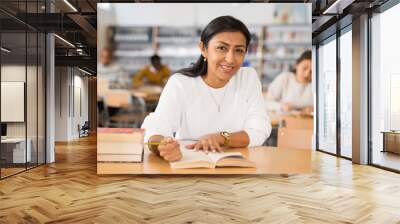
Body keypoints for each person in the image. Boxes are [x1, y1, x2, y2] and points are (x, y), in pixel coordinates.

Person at [141, 16, 271, 162]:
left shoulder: (248, 78)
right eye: (222, 48)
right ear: (203, 49)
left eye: (239, 50)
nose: (230, 59)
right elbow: (155, 127)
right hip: (190, 169)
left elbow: (259, 130)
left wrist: (222, 138)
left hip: (236, 169)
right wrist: (163, 147)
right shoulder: (181, 83)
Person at [265, 50, 313, 115]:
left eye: (311, 71)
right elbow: (266, 103)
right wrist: (281, 106)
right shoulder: (285, 78)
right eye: (304, 68)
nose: (307, 74)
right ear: (297, 65)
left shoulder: (315, 85)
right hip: (284, 120)